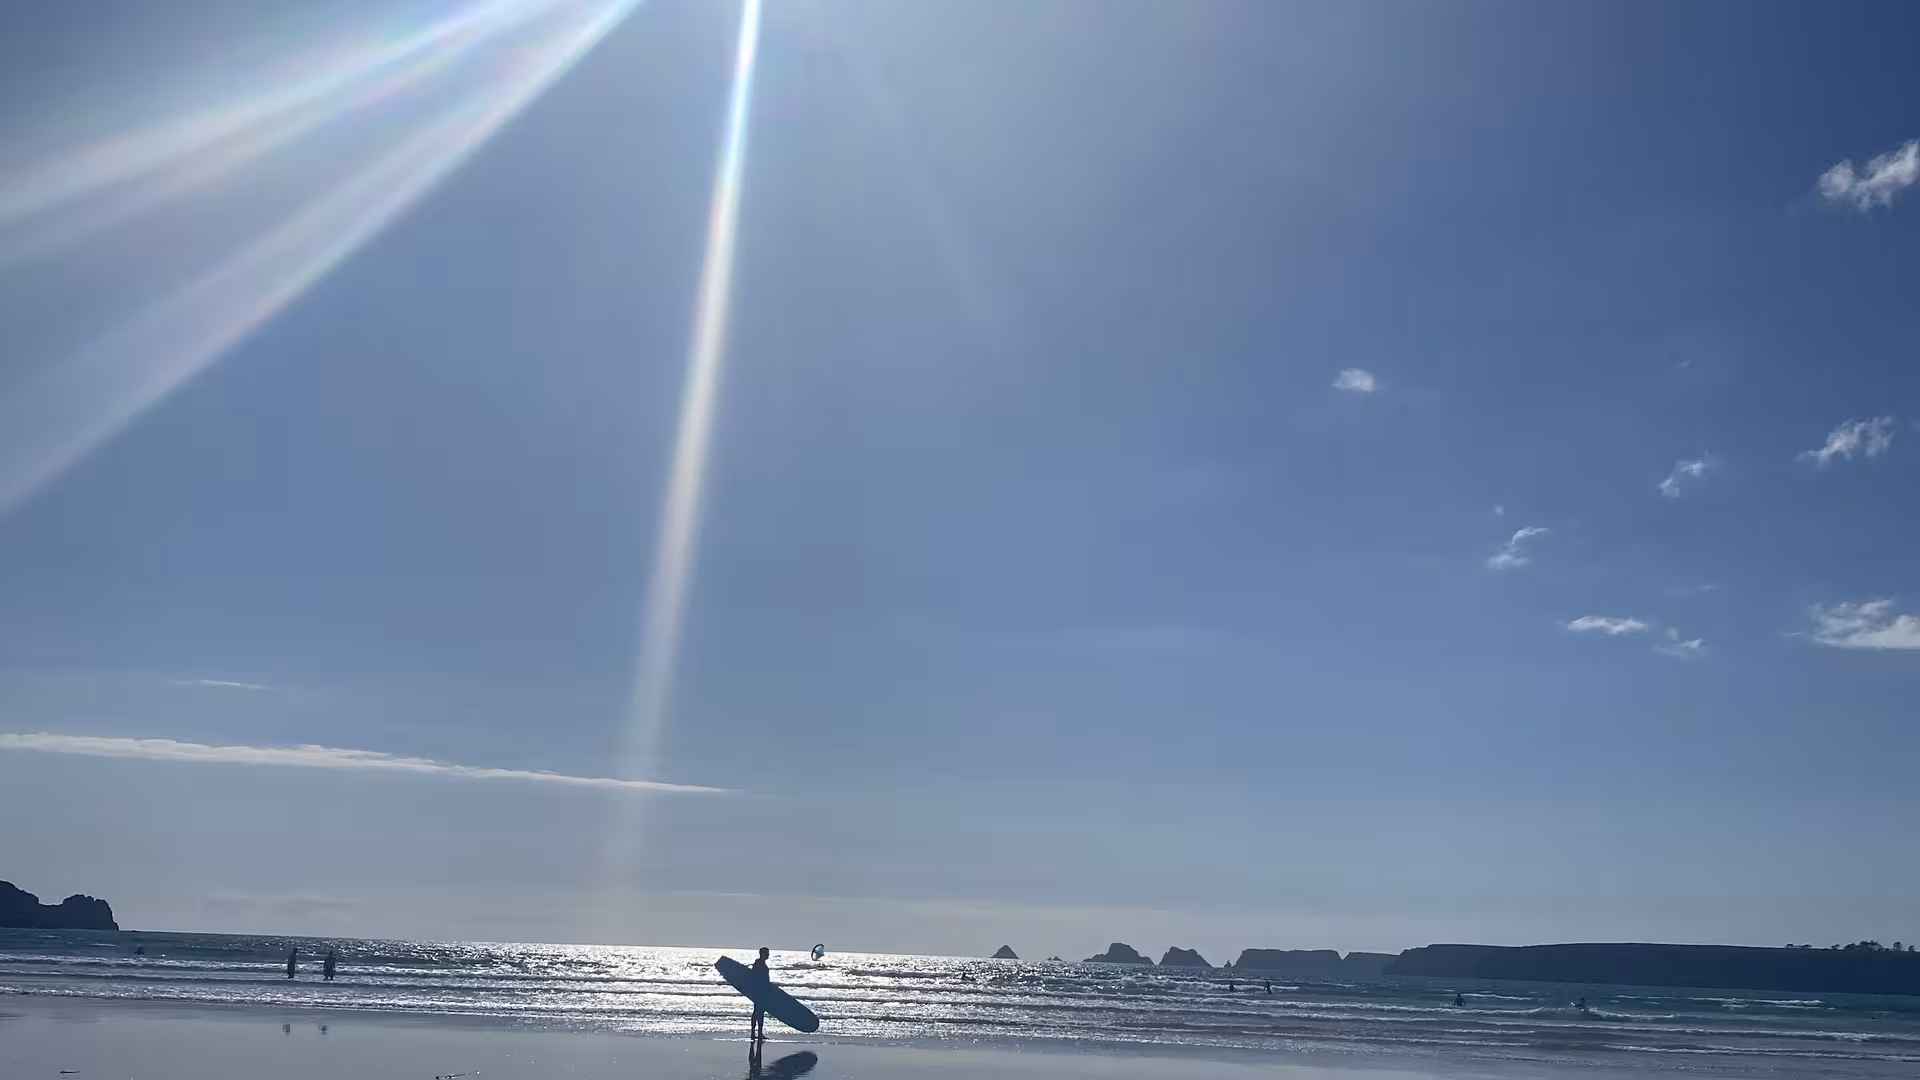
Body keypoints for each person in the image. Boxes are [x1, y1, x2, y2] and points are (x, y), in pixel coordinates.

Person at [749, 946, 771, 1042]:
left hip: (761, 990)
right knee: (759, 1012)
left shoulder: (760, 963)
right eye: (767, 953)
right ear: (763, 954)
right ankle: (755, 1033)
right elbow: (755, 977)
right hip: (759, 991)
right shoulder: (758, 963)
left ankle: (756, 1033)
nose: (768, 955)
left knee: (758, 1012)